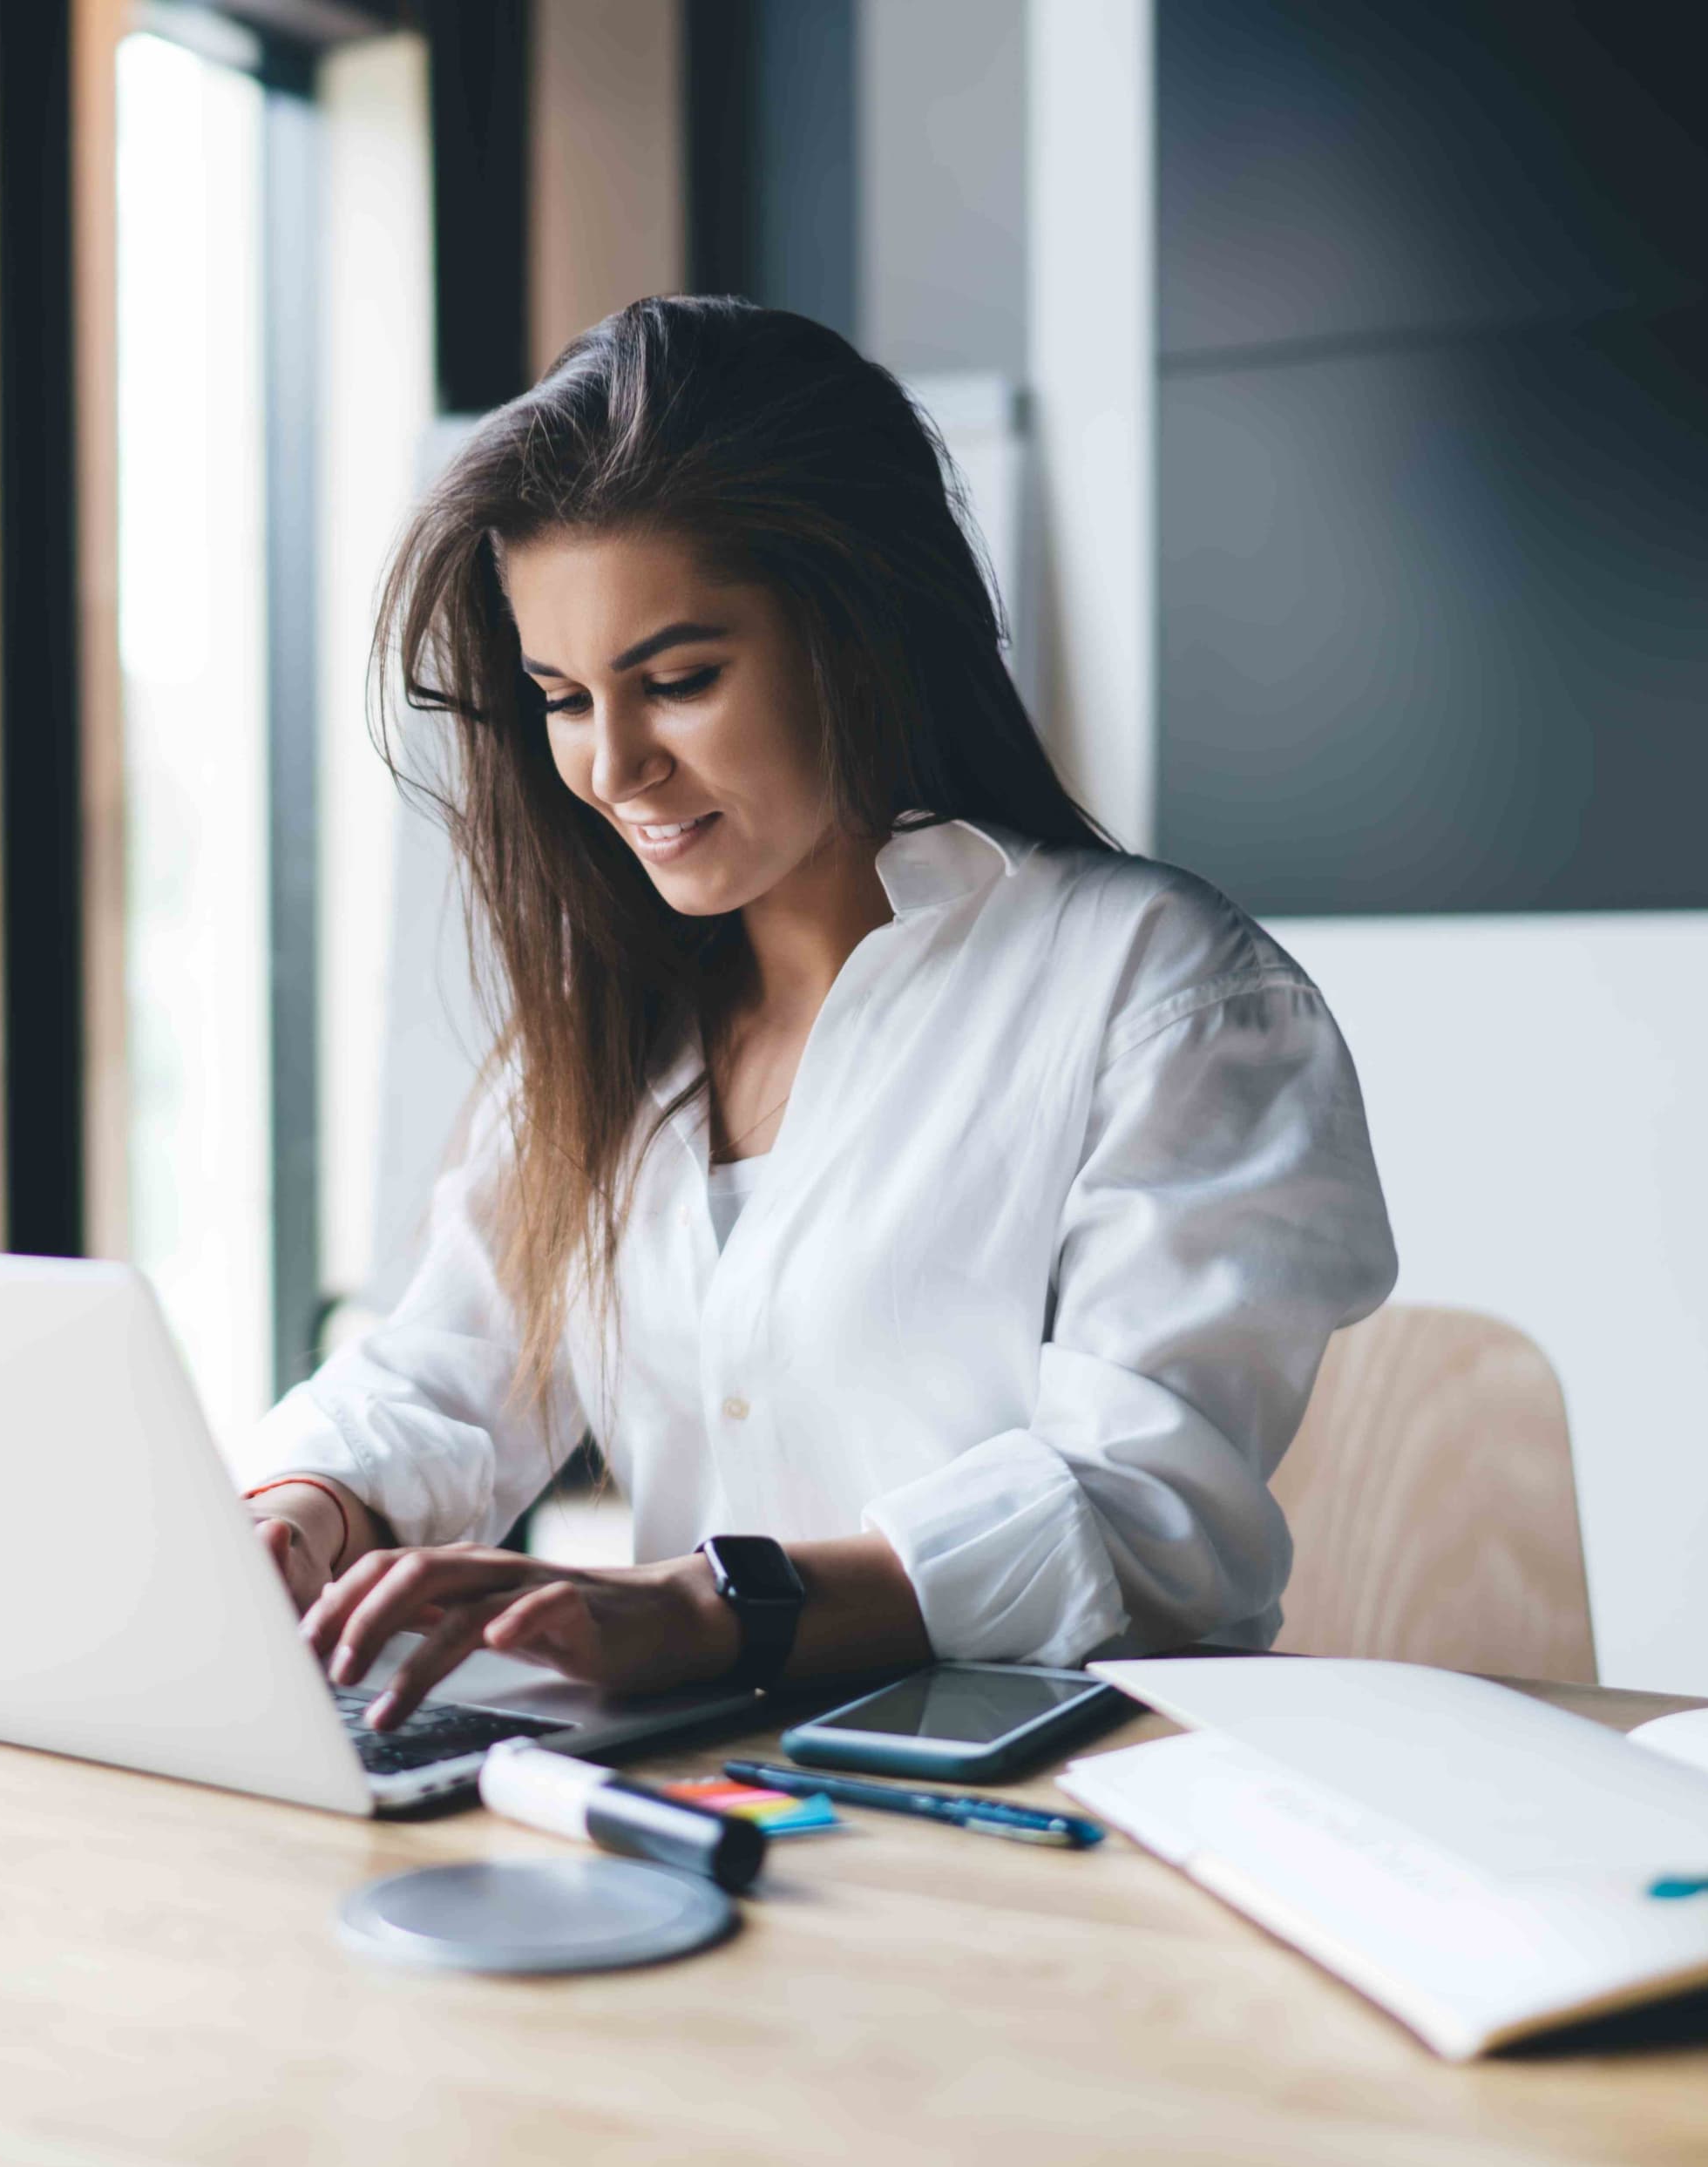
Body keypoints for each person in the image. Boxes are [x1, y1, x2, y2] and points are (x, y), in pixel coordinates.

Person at [243, 296, 1398, 1730]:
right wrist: (302, 1508)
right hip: (709, 1791)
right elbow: (447, 1370)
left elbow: (1147, 1517)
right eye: (559, 698)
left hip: (1067, 1811)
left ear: (856, 630)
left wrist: (703, 1605)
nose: (614, 769)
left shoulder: (1163, 1000)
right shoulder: (608, 1043)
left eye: (677, 682)